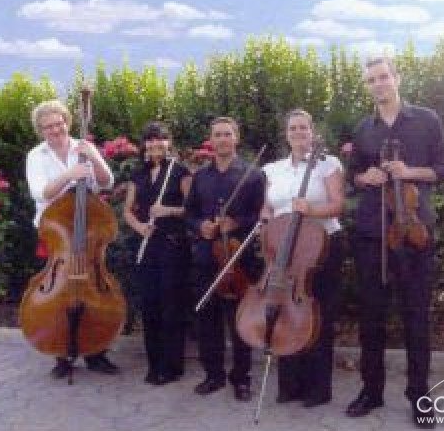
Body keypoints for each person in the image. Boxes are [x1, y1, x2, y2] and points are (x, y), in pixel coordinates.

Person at [346, 57, 444, 428]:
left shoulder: (427, 119)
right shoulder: (363, 128)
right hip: (372, 232)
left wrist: (409, 172)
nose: (378, 84)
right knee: (371, 316)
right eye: (371, 80)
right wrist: (366, 177)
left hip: (414, 232)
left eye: (383, 77)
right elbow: (353, 177)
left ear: (397, 78)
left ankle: (419, 396)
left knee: (416, 316)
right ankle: (371, 391)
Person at [25, 99, 120, 379]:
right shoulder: (36, 156)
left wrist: (94, 157)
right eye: (48, 126)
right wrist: (70, 175)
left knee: (93, 288)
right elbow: (40, 192)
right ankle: (61, 355)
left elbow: (106, 182)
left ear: (67, 122)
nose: (56, 130)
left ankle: (96, 353)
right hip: (57, 233)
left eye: (59, 123)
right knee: (59, 292)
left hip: (88, 232)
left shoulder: (83, 146)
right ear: (41, 130)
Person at [260, 108, 344, 408]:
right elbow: (268, 207)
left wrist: (311, 209)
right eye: (292, 128)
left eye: (303, 127)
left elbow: (337, 205)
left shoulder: (328, 164)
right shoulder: (273, 169)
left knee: (318, 313)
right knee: (286, 310)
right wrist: (265, 218)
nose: (298, 132)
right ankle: (290, 384)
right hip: (284, 249)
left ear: (312, 131)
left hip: (320, 246)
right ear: (286, 134)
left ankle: (318, 388)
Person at [184, 116, 265, 402]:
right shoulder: (200, 177)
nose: (222, 139)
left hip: (239, 257)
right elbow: (190, 214)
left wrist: (237, 222)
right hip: (207, 257)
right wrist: (200, 226)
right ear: (211, 140)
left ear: (236, 138)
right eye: (217, 135)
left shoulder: (253, 175)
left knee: (239, 320)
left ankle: (241, 378)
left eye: (227, 134)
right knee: (207, 319)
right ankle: (213, 375)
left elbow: (261, 214)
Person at [123, 122, 192, 385]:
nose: (155, 144)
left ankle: (172, 367)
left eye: (160, 139)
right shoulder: (138, 174)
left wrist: (169, 211)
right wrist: (140, 227)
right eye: (150, 140)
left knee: (171, 306)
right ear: (145, 144)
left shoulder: (180, 172)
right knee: (150, 304)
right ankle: (154, 364)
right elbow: (127, 211)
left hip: (173, 246)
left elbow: (192, 209)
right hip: (147, 245)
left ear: (168, 142)